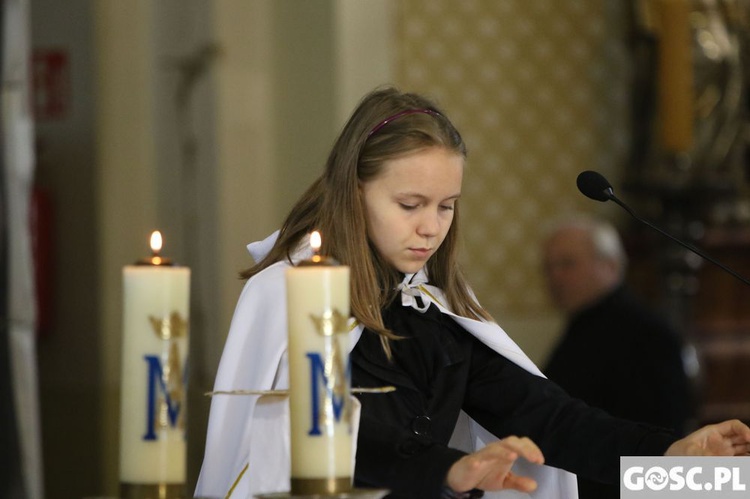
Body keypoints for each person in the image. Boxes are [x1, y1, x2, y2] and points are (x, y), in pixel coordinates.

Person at [195, 87, 750, 499]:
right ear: (353, 191)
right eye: (409, 205)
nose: (431, 227)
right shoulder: (290, 296)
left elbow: (550, 419)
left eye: (446, 205)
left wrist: (673, 458)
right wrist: (446, 470)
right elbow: (316, 438)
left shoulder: (433, 313)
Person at [541, 216, 696, 498]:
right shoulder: (585, 325)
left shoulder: (645, 335)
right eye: (549, 267)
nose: (555, 277)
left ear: (610, 265)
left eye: (567, 264)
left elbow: (662, 434)